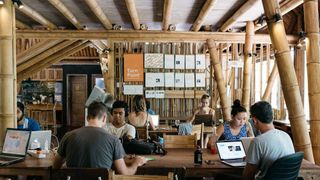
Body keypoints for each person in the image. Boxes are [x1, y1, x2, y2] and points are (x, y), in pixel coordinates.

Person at [53, 101, 146, 174]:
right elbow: (124, 173)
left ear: (87, 117)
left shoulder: (68, 136)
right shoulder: (113, 140)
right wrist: (136, 163)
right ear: (105, 118)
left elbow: (55, 166)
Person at [243, 101, 295, 179]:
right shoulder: (286, 136)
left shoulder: (258, 141)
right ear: (271, 116)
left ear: (254, 120)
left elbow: (247, 176)